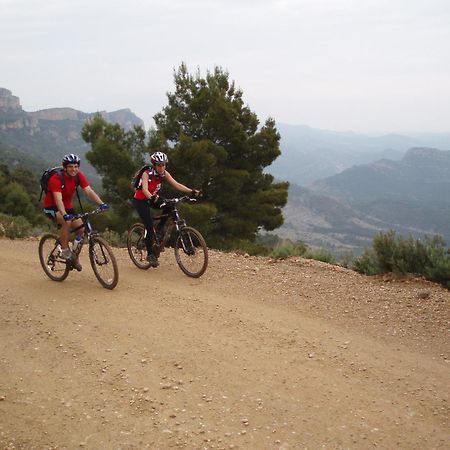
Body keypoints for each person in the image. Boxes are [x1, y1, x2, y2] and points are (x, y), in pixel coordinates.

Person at [43, 153, 109, 271]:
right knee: (66, 222)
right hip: (52, 207)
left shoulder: (79, 176)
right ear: (65, 167)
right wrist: (64, 215)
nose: (74, 169)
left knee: (81, 229)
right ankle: (64, 250)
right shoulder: (56, 178)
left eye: (76, 166)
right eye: (70, 167)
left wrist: (101, 204)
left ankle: (74, 257)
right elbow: (58, 200)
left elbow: (89, 191)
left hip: (67, 206)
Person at [133, 151, 199, 267]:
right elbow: (144, 190)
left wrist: (191, 191)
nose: (162, 167)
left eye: (163, 164)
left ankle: (158, 231)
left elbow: (176, 184)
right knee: (148, 226)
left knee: (170, 205)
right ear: (154, 165)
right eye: (159, 165)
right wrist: (151, 197)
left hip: (154, 198)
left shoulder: (164, 174)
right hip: (141, 200)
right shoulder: (146, 173)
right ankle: (150, 255)